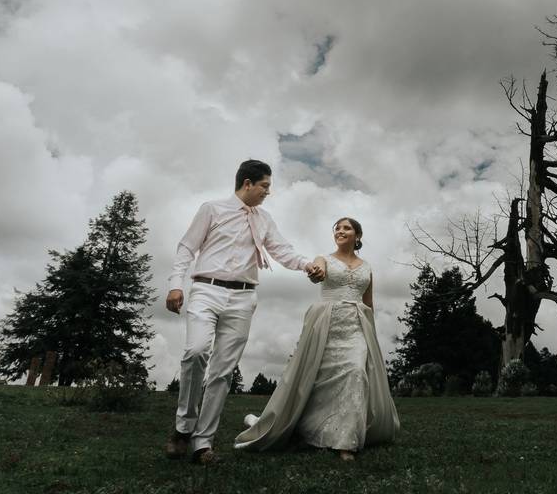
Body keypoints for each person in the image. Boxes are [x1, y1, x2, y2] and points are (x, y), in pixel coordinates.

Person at [163, 159, 325, 465]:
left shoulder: (264, 220)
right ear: (247, 183)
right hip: (206, 289)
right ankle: (183, 427)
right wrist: (175, 284)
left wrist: (307, 265)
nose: (268, 192)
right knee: (196, 352)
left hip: (243, 298)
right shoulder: (211, 209)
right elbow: (186, 247)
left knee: (223, 372)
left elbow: (283, 251)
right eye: (264, 185)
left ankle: (202, 443)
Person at [234, 217, 400, 460]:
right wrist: (315, 272)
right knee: (318, 379)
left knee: (356, 372)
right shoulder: (324, 258)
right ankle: (307, 426)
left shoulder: (367, 267)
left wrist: (372, 333)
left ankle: (345, 442)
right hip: (327, 323)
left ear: (358, 236)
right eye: (337, 228)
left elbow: (369, 302)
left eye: (346, 228)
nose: (340, 231)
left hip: (356, 325)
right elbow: (316, 271)